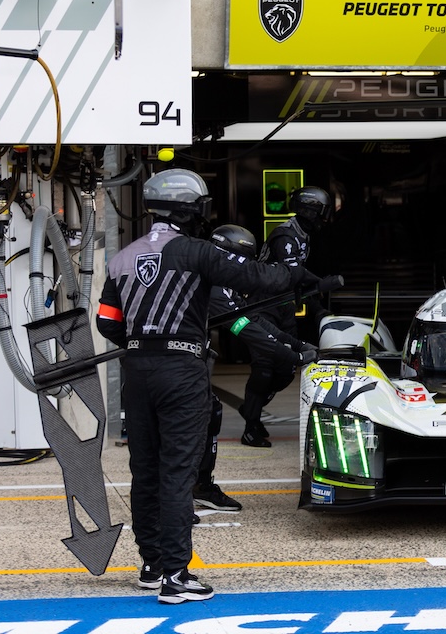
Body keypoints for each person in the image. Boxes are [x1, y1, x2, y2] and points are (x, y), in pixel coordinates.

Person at [96, 168, 314, 604]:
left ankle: (152, 564)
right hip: (181, 369)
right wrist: (297, 274)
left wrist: (145, 342)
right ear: (189, 209)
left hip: (137, 370)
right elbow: (262, 279)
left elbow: (107, 322)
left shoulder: (121, 259)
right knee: (178, 472)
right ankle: (176, 576)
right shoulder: (196, 251)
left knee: (146, 471)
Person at [210, 224, 318, 450]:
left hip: (187, 357)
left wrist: (298, 345)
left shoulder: (224, 284)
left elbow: (253, 321)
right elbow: (247, 330)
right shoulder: (214, 287)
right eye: (242, 261)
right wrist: (295, 357)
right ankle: (251, 420)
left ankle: (251, 409)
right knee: (207, 416)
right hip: (171, 360)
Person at [248, 186, 333, 447]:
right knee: (264, 369)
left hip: (284, 306)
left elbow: (296, 281)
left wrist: (318, 308)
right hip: (263, 305)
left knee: (286, 370)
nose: (322, 218)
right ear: (310, 211)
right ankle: (250, 427)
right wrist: (321, 282)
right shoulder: (285, 236)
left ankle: (253, 406)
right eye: (321, 212)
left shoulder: (303, 235)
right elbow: (295, 274)